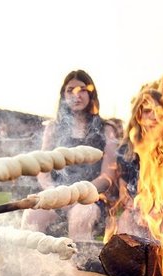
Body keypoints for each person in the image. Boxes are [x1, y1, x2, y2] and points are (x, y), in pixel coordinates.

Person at [22, 69, 118, 240]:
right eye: (70, 90)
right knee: (32, 216)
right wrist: (55, 193)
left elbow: (107, 176)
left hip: (91, 197)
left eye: (82, 89)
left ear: (91, 94)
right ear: (63, 95)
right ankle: (36, 266)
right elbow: (42, 171)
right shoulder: (53, 128)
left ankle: (77, 266)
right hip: (56, 195)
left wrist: (78, 194)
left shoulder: (106, 129)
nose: (77, 95)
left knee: (81, 214)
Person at [113, 88, 163, 238]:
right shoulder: (126, 149)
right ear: (139, 116)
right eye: (148, 111)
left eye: (158, 110)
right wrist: (132, 203)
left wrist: (154, 207)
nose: (154, 116)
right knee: (125, 221)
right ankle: (128, 260)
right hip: (136, 208)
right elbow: (124, 189)